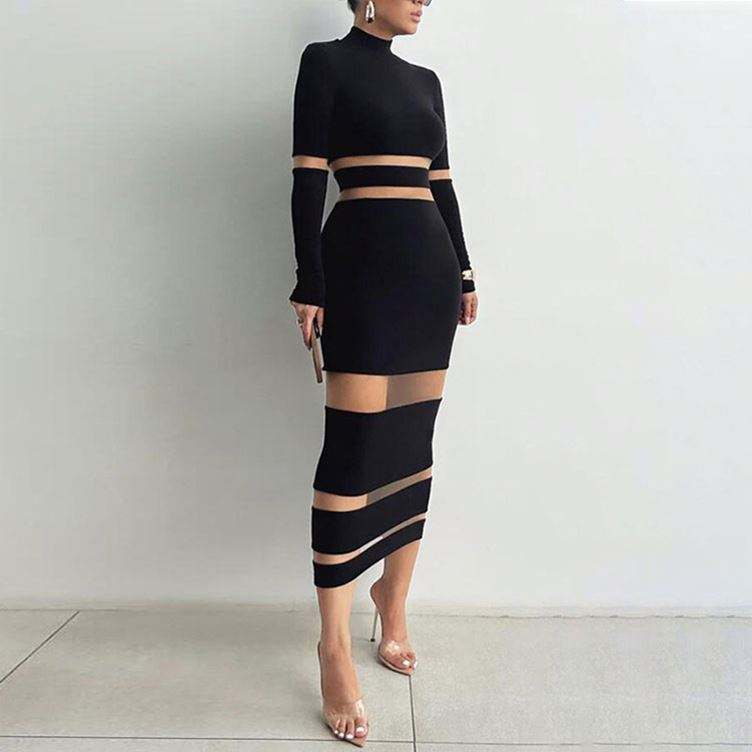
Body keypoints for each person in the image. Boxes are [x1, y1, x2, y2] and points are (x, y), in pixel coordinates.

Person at [288, 0, 478, 745]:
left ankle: (392, 601)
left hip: (428, 268)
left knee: (412, 441)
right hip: (360, 266)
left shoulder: (427, 82)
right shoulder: (325, 63)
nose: (424, 2)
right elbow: (308, 178)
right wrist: (310, 281)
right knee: (354, 449)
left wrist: (465, 271)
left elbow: (443, 182)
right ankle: (333, 646)